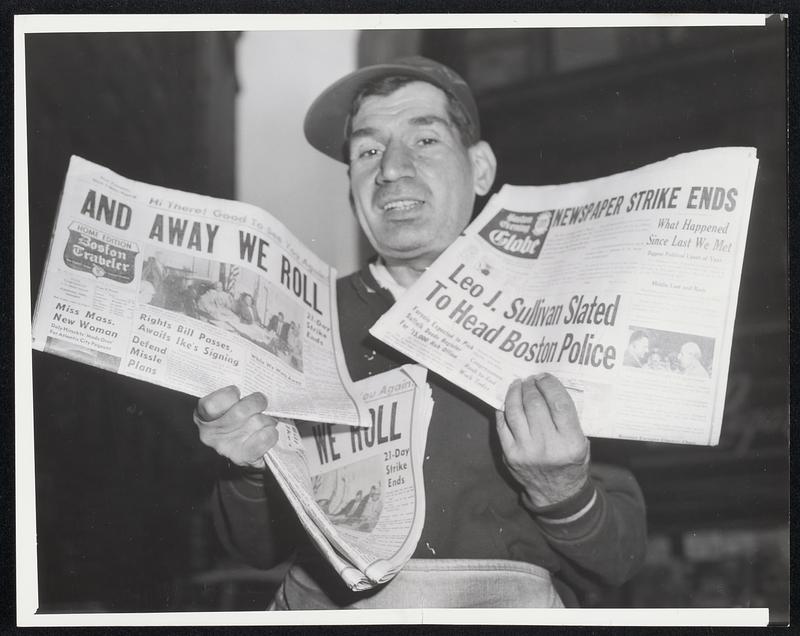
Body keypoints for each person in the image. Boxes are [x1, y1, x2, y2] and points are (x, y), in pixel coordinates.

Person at [194, 56, 646, 609]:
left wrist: (562, 491)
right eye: (367, 150)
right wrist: (246, 465)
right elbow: (253, 547)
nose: (391, 169)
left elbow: (620, 558)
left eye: (425, 140)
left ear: (480, 168)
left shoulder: (563, 315)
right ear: (351, 186)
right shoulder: (298, 320)